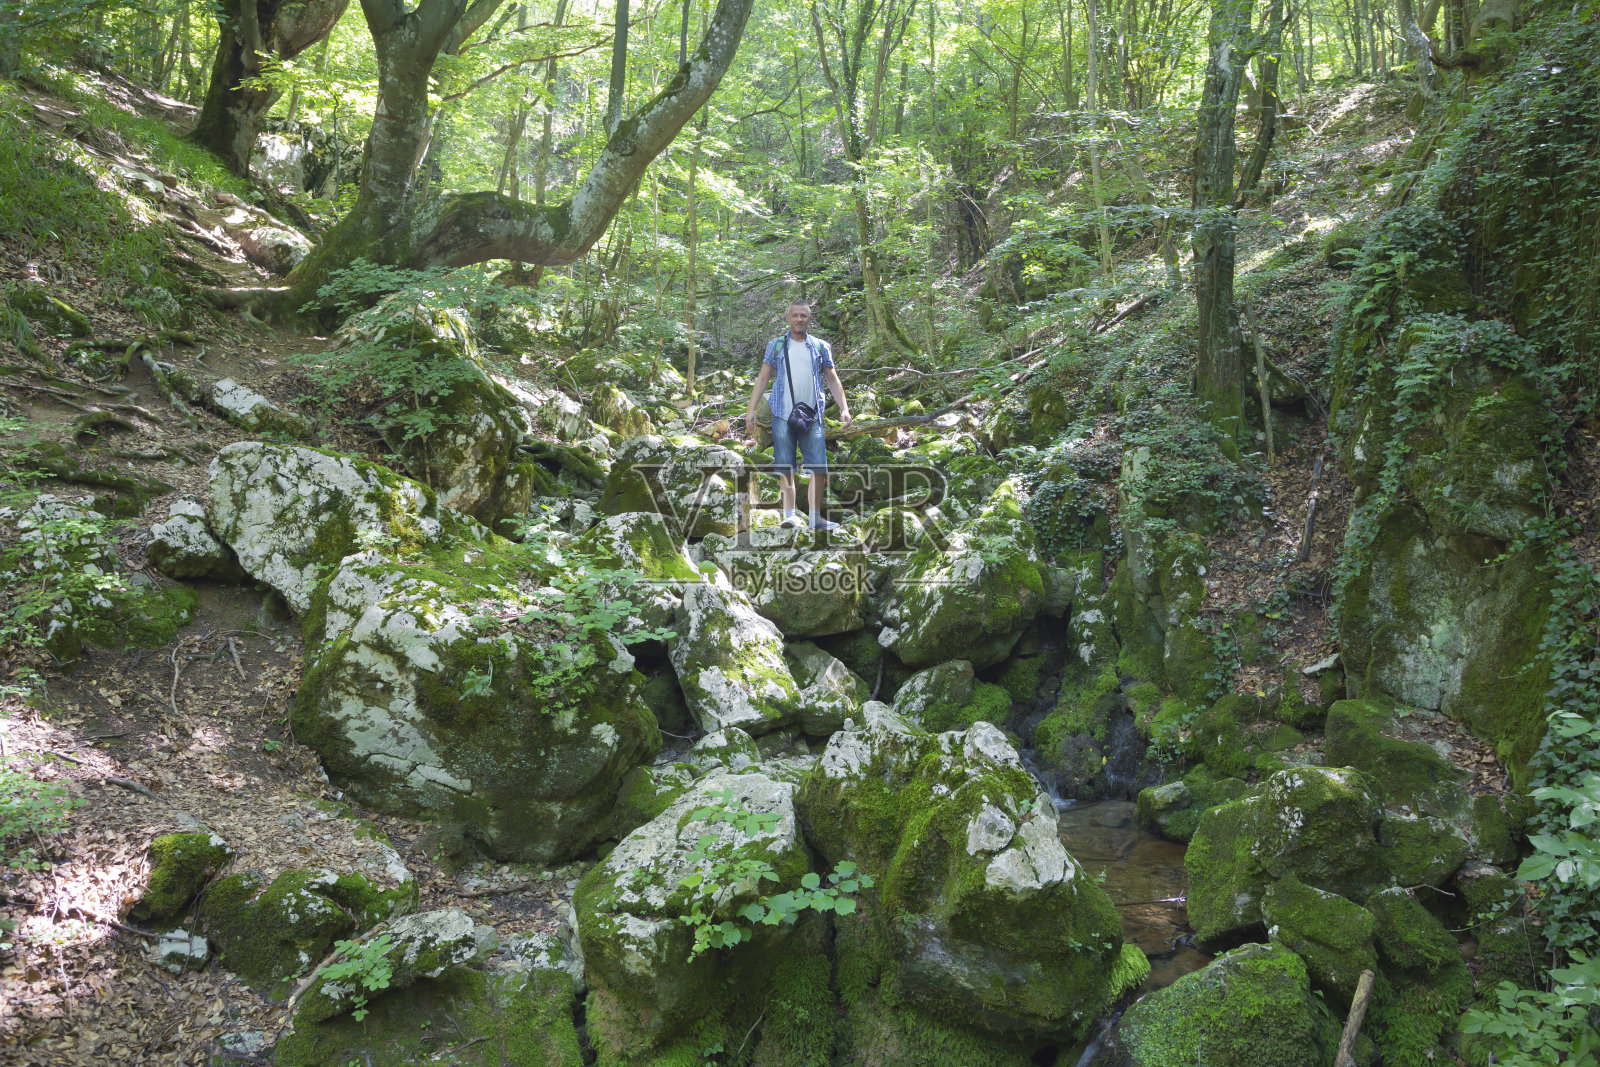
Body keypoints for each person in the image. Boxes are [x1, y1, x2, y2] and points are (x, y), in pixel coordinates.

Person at [744, 300, 851, 530]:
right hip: (783, 415)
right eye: (795, 315)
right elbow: (763, 378)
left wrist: (844, 408)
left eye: (803, 315)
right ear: (788, 317)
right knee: (786, 468)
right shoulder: (776, 346)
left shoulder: (820, 346)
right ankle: (789, 516)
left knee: (819, 468)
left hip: (812, 416)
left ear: (809, 318)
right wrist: (751, 409)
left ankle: (814, 519)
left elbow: (832, 378)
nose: (799, 319)